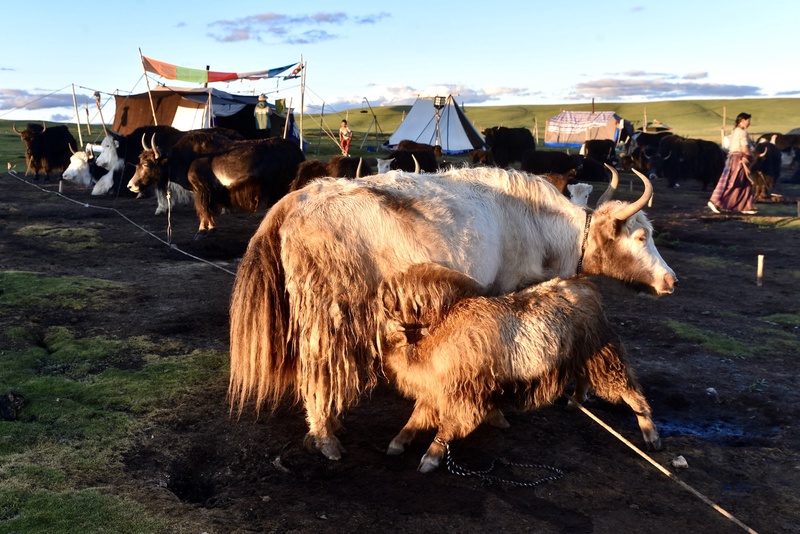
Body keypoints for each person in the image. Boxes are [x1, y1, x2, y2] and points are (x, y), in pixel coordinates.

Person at [708, 112, 757, 215]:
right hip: (739, 160)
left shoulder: (734, 131)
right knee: (736, 183)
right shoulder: (742, 132)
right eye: (748, 121)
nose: (749, 123)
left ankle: (746, 206)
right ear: (742, 120)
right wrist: (751, 156)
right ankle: (715, 202)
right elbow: (744, 148)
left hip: (732, 158)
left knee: (744, 183)